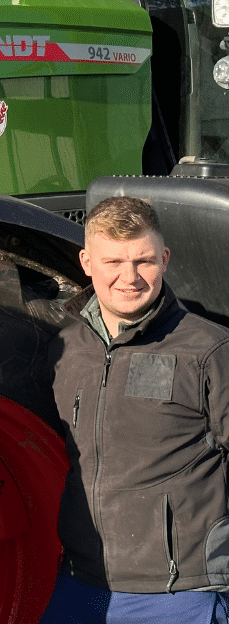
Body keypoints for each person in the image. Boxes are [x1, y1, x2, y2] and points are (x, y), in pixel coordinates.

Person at [41, 196, 229, 624]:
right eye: (113, 262)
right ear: (87, 262)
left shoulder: (209, 350)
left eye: (143, 261)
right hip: (80, 584)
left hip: (179, 593)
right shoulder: (65, 351)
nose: (129, 278)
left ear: (164, 259)